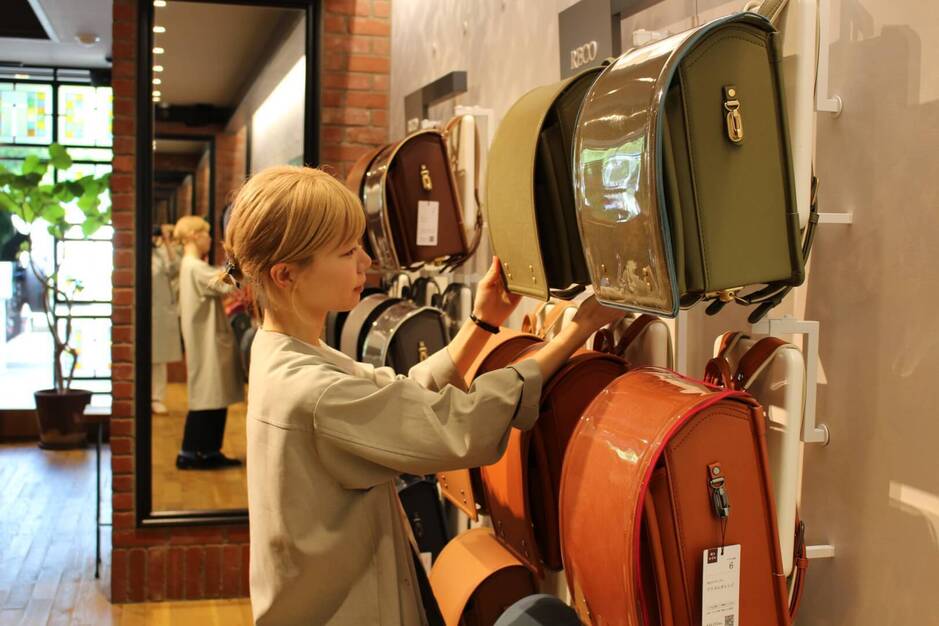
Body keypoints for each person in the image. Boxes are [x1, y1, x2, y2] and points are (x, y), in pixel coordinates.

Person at [221, 166, 623, 626]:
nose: (365, 263)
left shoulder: (280, 350)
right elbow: (461, 426)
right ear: (286, 274)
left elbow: (398, 395)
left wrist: (482, 323)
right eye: (346, 251)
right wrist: (577, 332)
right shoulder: (314, 391)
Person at [174, 215, 244, 470]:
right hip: (207, 342)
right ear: (193, 236)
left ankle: (207, 450)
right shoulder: (194, 266)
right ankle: (194, 452)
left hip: (207, 340)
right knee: (208, 397)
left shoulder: (191, 265)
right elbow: (226, 285)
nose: (209, 239)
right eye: (205, 234)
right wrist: (237, 259)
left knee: (212, 396)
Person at [151, 224, 182, 415]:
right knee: (146, 358)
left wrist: (166, 240)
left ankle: (157, 398)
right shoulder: (136, 253)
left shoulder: (159, 253)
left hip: (161, 312)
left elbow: (175, 267)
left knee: (160, 359)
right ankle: (144, 397)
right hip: (147, 311)